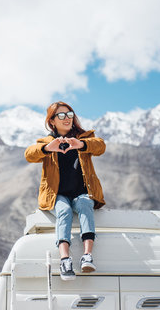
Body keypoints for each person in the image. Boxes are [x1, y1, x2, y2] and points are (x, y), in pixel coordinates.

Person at [25, 101, 106, 281]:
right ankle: (65, 260)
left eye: (69, 114)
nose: (67, 118)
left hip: (81, 193)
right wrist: (47, 148)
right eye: (61, 115)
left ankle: (87, 256)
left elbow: (100, 146)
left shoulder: (83, 138)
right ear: (52, 121)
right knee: (64, 211)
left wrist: (81, 145)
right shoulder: (47, 142)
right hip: (57, 195)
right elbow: (29, 154)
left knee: (85, 204)